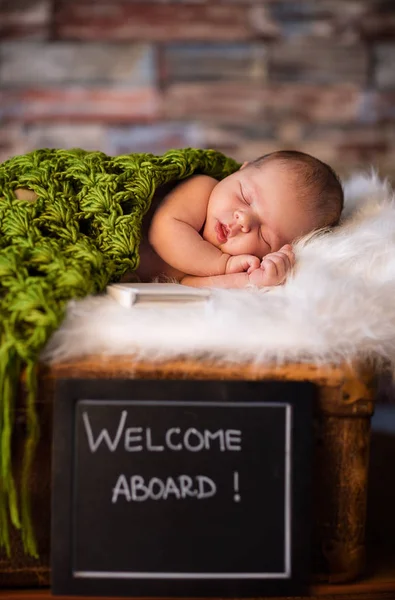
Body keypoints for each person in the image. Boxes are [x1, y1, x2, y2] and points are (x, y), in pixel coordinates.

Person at [136, 150, 344, 288]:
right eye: (245, 197)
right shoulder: (202, 189)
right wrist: (224, 265)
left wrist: (250, 279)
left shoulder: (213, 260)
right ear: (239, 171)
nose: (244, 221)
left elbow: (191, 285)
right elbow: (162, 232)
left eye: (264, 235)